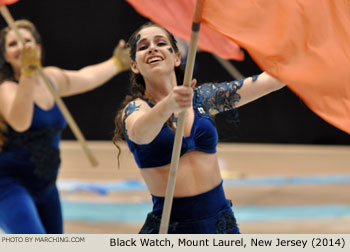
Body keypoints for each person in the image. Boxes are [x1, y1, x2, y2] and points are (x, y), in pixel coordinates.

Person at [113, 22, 285, 234]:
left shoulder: (202, 98)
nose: (152, 48)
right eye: (143, 46)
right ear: (134, 66)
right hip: (171, 229)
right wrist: (168, 105)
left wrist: (308, 52)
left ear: (177, 58)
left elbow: (271, 81)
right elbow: (140, 133)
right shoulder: (135, 109)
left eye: (160, 42)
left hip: (221, 225)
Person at [0, 19, 130, 234]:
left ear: (39, 48)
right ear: (5, 56)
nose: (22, 47)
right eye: (13, 44)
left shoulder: (51, 78)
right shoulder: (5, 88)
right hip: (8, 186)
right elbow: (21, 123)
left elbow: (86, 77)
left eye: (27, 41)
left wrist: (116, 63)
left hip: (47, 185)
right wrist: (28, 75)